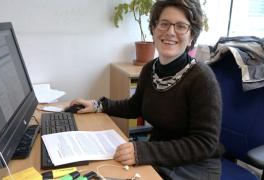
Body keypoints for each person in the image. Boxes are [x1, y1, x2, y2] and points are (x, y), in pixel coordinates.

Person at [70, 0, 223, 179]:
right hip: (159, 155)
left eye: (181, 26)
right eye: (164, 24)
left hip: (195, 165)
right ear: (154, 29)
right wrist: (98, 105)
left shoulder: (202, 78)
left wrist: (143, 151)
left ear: (191, 36)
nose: (170, 32)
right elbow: (135, 106)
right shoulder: (150, 69)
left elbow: (204, 144)